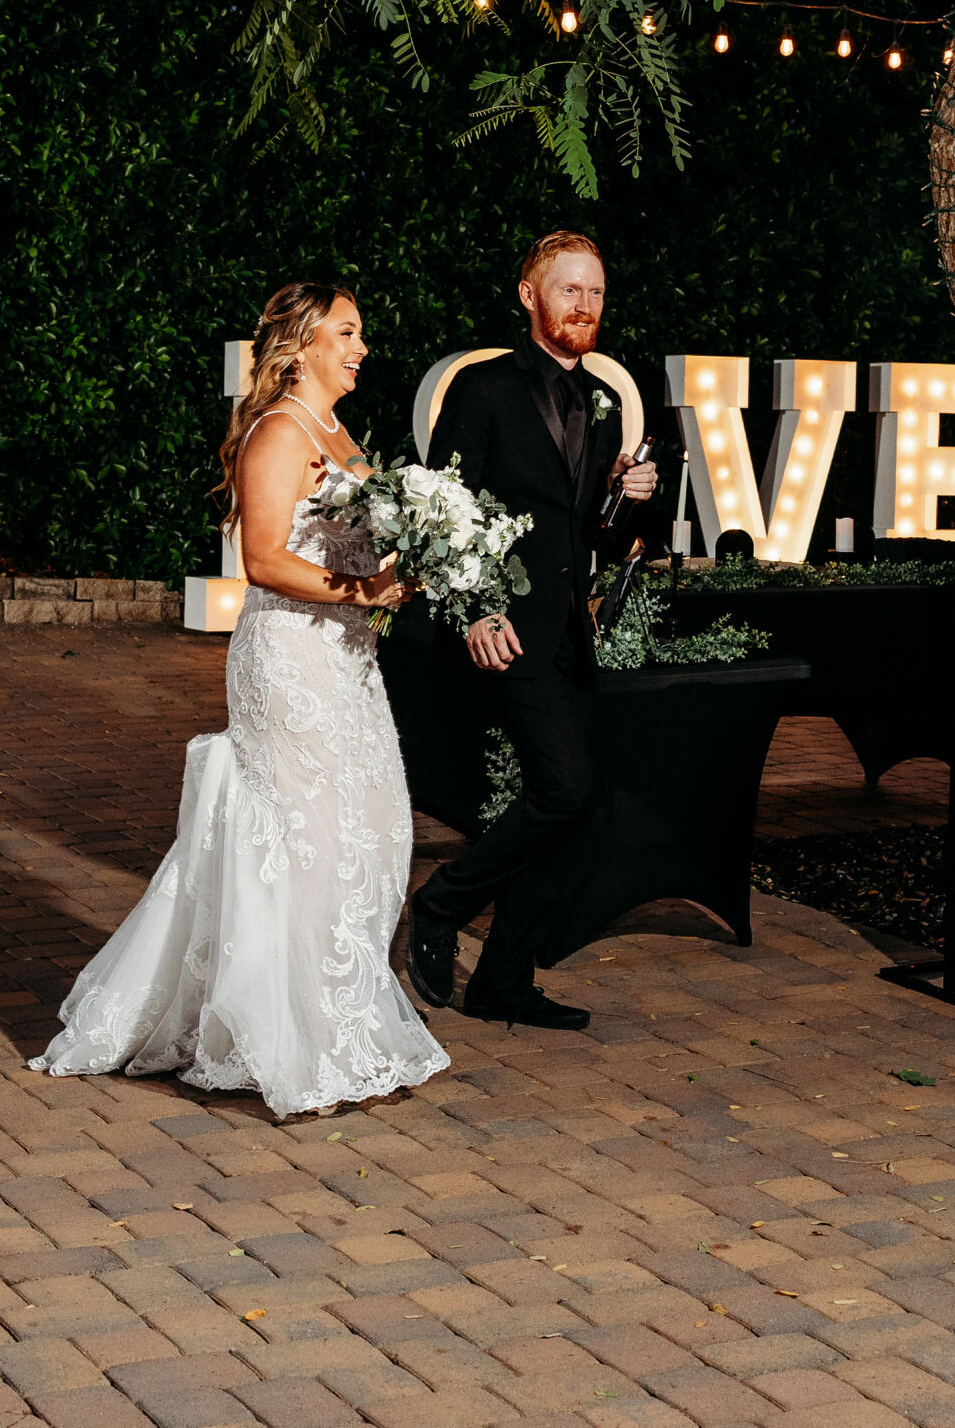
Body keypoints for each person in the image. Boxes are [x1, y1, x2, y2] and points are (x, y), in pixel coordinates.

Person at [32, 283, 450, 1117]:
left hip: (348, 658)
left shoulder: (340, 432)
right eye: (346, 332)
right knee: (306, 839)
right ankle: (298, 1042)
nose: (361, 347)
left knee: (371, 828)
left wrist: (421, 558)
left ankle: (343, 1025)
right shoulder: (279, 431)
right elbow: (262, 557)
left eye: (360, 332)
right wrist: (360, 586)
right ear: (300, 346)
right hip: (291, 657)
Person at [401, 231, 658, 1030]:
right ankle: (440, 905)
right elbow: (440, 514)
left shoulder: (604, 405)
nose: (584, 306)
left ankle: (503, 979)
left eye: (596, 293)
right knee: (565, 787)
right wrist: (475, 608)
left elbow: (597, 543)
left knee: (573, 806)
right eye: (569, 290)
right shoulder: (482, 390)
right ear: (529, 296)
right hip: (501, 629)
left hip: (566, 634)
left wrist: (631, 498)